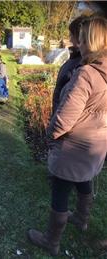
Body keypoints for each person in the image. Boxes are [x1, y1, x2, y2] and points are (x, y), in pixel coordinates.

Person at [28, 16, 107, 256]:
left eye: (82, 40)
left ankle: (51, 241)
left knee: (60, 191)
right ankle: (82, 219)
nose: (78, 45)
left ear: (90, 42)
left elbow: (64, 119)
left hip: (74, 147)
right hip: (97, 144)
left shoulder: (86, 74)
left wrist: (51, 135)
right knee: (84, 179)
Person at [52, 15, 86, 115]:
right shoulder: (75, 58)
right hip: (59, 115)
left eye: (71, 35)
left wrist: (56, 128)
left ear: (80, 36)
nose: (70, 39)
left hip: (64, 122)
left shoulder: (82, 64)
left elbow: (71, 104)